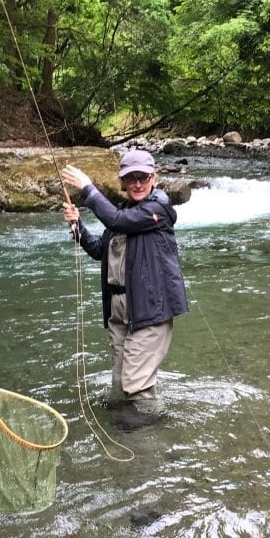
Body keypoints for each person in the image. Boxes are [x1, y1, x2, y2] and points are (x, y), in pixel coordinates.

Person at [61, 148, 188, 407]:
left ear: (154, 178)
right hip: (119, 311)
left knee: (136, 385)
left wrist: (88, 188)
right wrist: (78, 227)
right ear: (122, 182)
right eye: (131, 178)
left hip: (150, 310)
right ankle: (129, 432)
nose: (138, 184)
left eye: (143, 177)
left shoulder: (158, 209)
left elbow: (117, 221)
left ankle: (146, 440)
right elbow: (99, 251)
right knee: (120, 382)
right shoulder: (126, 212)